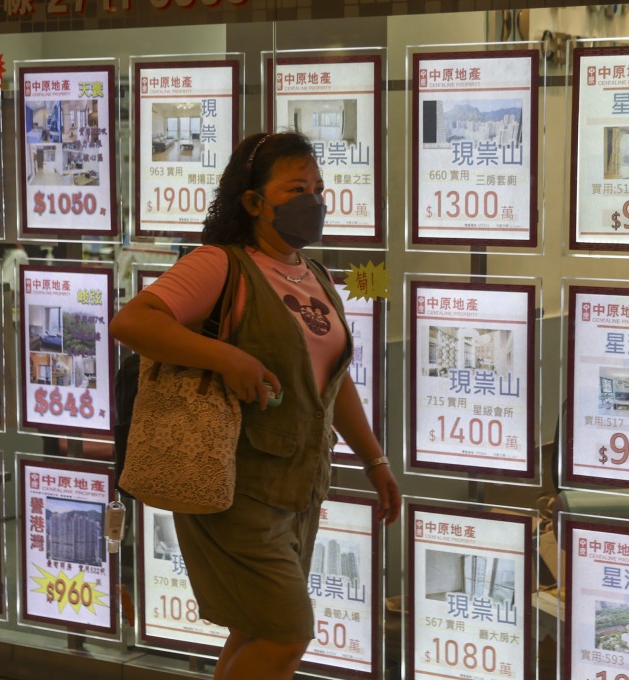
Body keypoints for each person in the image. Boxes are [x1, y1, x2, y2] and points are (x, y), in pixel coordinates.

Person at [111, 131, 400, 680]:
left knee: (252, 629)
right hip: (234, 487)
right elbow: (133, 322)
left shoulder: (313, 274)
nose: (313, 201)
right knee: (285, 634)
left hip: (298, 488)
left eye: (319, 187)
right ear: (253, 202)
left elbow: (330, 385)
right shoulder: (220, 264)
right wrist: (225, 357)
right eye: (296, 188)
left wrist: (375, 460)